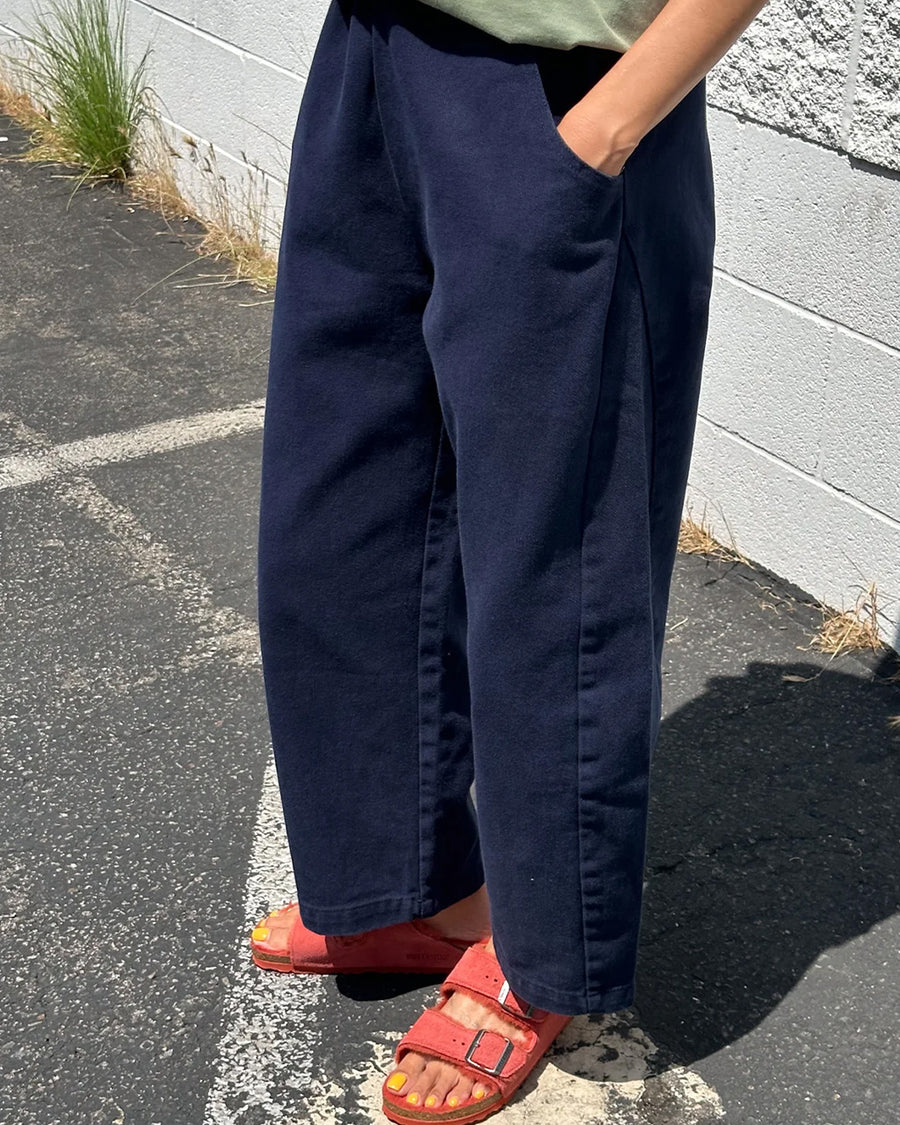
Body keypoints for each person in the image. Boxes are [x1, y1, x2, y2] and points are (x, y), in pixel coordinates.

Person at [252, 0, 768, 1119]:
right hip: (379, 49)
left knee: (556, 557)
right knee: (339, 503)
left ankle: (538, 959)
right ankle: (407, 886)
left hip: (562, 88)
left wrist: (610, 128)